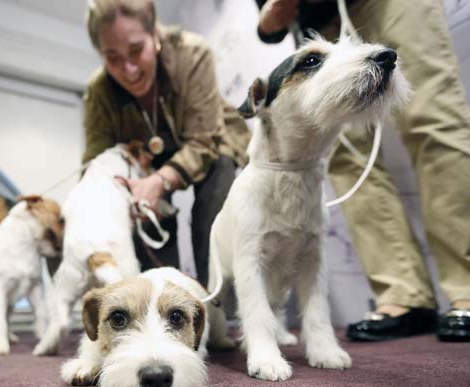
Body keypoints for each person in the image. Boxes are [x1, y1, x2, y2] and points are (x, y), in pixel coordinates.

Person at [256, 0, 470, 341]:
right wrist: (269, 20)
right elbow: (269, 18)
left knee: (431, 119)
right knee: (345, 155)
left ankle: (467, 288)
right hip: (320, 19)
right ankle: (402, 294)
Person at [83, 0, 250, 287]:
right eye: (112, 58)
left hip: (211, 142)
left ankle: (221, 304)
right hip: (145, 163)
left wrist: (161, 180)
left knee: (217, 192)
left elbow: (204, 140)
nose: (129, 69)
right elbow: (96, 163)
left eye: (136, 50)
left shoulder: (192, 53)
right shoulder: (98, 91)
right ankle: (162, 300)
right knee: (147, 214)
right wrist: (123, 196)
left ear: (155, 34)